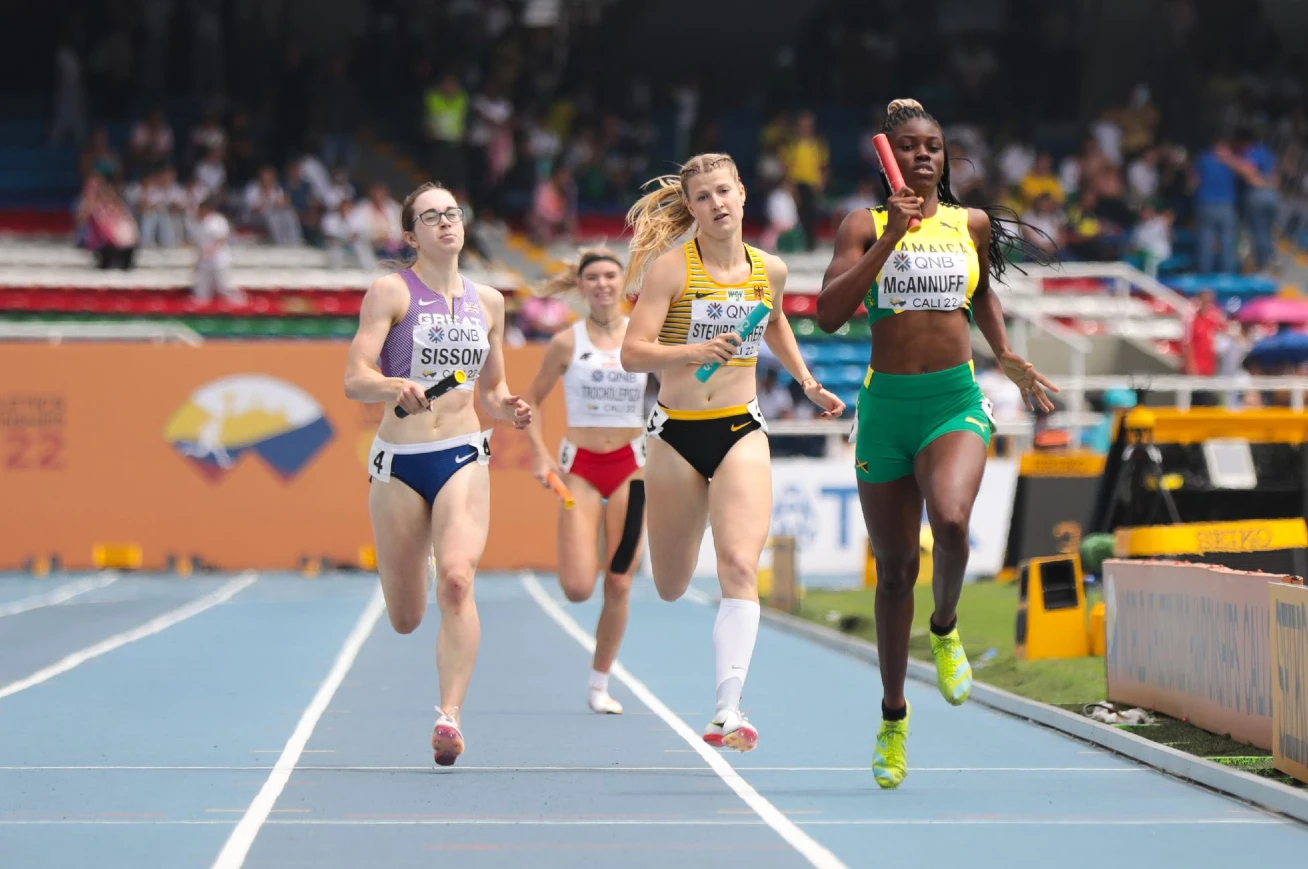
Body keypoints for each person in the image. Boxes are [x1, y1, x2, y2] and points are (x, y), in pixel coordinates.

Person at [817, 99, 1057, 789]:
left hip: (953, 400)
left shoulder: (969, 224)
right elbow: (830, 315)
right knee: (893, 573)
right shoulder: (862, 225)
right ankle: (894, 717)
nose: (924, 155)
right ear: (890, 154)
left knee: (950, 520)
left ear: (945, 159)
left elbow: (981, 296)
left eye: (934, 147)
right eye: (910, 146)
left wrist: (1005, 352)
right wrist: (890, 237)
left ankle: (945, 626)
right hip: (886, 408)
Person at [620, 152, 846, 752]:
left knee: (741, 567)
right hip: (675, 434)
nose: (717, 203)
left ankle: (728, 708)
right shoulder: (671, 270)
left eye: (724, 191)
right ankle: (669, 568)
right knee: (669, 583)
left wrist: (804, 380)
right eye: (703, 196)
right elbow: (632, 353)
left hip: (740, 429)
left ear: (742, 195)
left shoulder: (767, 269)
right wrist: (690, 353)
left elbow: (771, 322)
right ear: (691, 207)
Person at [343, 181, 532, 767]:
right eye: (432, 216)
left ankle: (449, 716)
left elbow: (493, 390)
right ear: (410, 234)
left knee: (456, 579)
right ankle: (414, 571)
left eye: (453, 213)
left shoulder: (490, 302)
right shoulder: (391, 291)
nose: (446, 222)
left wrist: (509, 408)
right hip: (398, 462)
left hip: (460, 453)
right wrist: (392, 384)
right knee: (406, 617)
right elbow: (355, 377)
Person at [522, 247, 650, 715]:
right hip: (580, 472)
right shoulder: (565, 342)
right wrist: (539, 455)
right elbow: (532, 401)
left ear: (623, 284)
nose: (602, 284)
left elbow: (678, 389)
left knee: (618, 583)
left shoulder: (644, 337)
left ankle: (599, 684)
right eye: (592, 277)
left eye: (610, 276)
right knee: (577, 588)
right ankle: (585, 550)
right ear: (581, 287)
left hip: (630, 471)